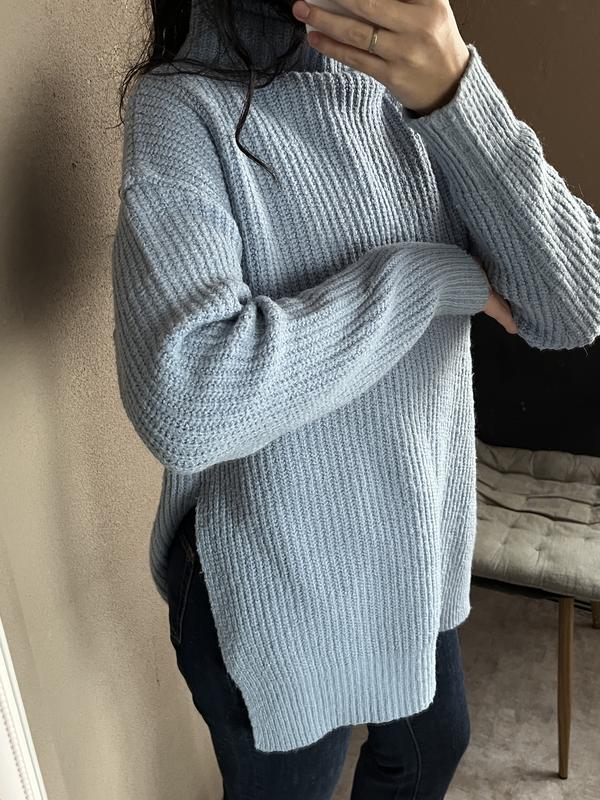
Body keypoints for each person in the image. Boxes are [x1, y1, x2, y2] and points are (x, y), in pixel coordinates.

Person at [110, 0, 600, 797]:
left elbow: (573, 305)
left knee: (434, 747)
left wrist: (456, 93)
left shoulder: (417, 80)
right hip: (273, 584)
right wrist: (432, 278)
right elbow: (188, 399)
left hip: (408, 554)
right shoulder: (183, 105)